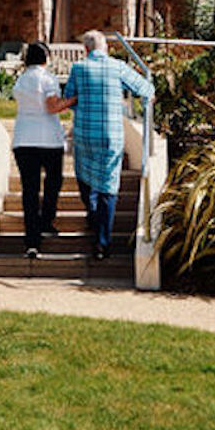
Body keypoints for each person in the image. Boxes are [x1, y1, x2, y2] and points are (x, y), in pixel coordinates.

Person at [59, 30, 153, 261]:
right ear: (106, 48)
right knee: (108, 187)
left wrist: (84, 103)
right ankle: (102, 243)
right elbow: (146, 89)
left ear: (86, 49)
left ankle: (93, 215)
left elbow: (69, 98)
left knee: (84, 177)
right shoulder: (118, 67)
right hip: (111, 136)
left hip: (85, 134)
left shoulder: (78, 68)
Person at [10, 43, 66, 256]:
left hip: (24, 139)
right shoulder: (48, 78)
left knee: (30, 190)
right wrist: (72, 100)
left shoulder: (21, 79)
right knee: (53, 182)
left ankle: (32, 240)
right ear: (46, 58)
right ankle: (46, 221)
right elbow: (52, 106)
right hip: (49, 139)